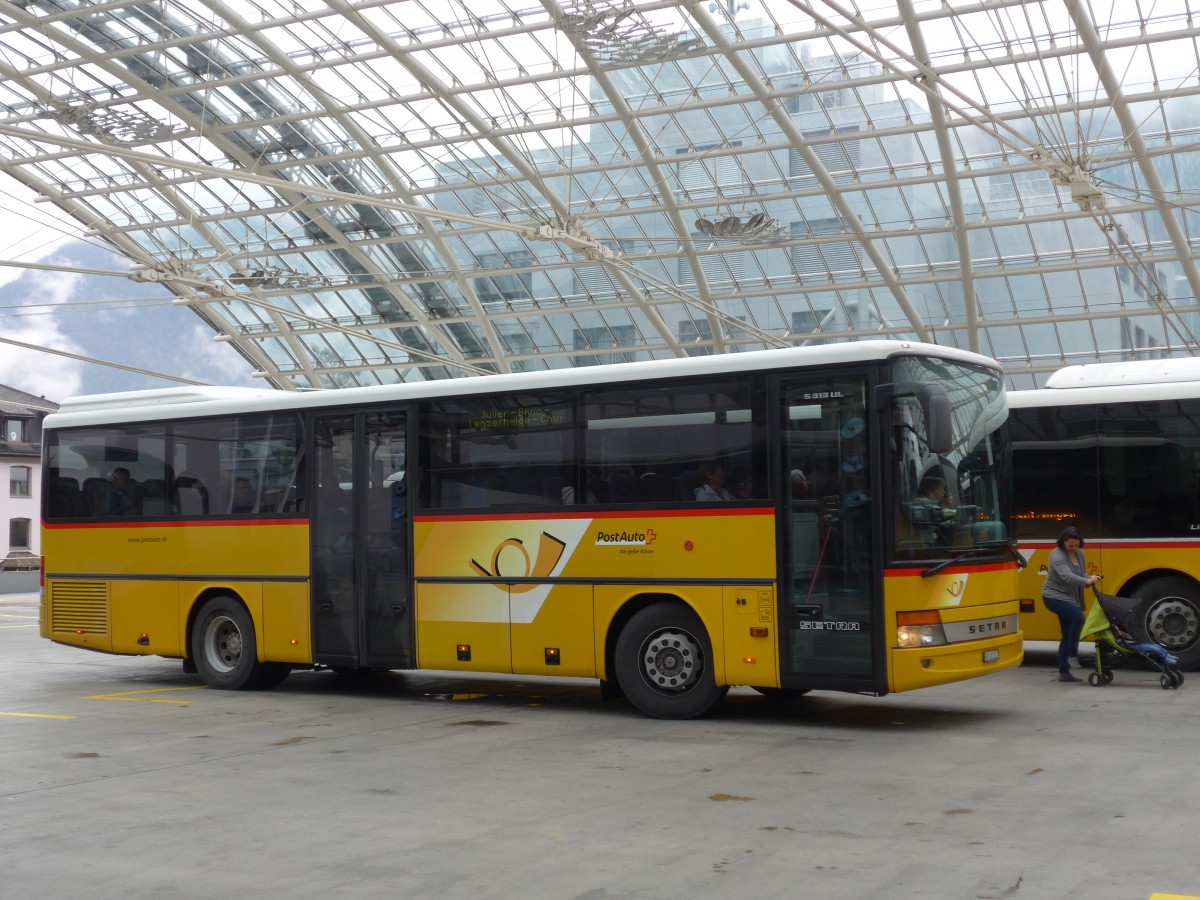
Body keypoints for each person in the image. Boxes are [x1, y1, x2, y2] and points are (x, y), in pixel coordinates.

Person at [1042, 527, 1101, 682]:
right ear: (1063, 542)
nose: (1074, 548)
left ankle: (1064, 672)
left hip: (1070, 596)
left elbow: (1081, 573)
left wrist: (1090, 578)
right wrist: (1086, 581)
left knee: (1066, 633)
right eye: (1071, 546)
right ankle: (1073, 654)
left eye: (1077, 545)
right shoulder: (1056, 555)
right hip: (1053, 596)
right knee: (1079, 619)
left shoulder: (1080, 553)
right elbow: (1067, 576)